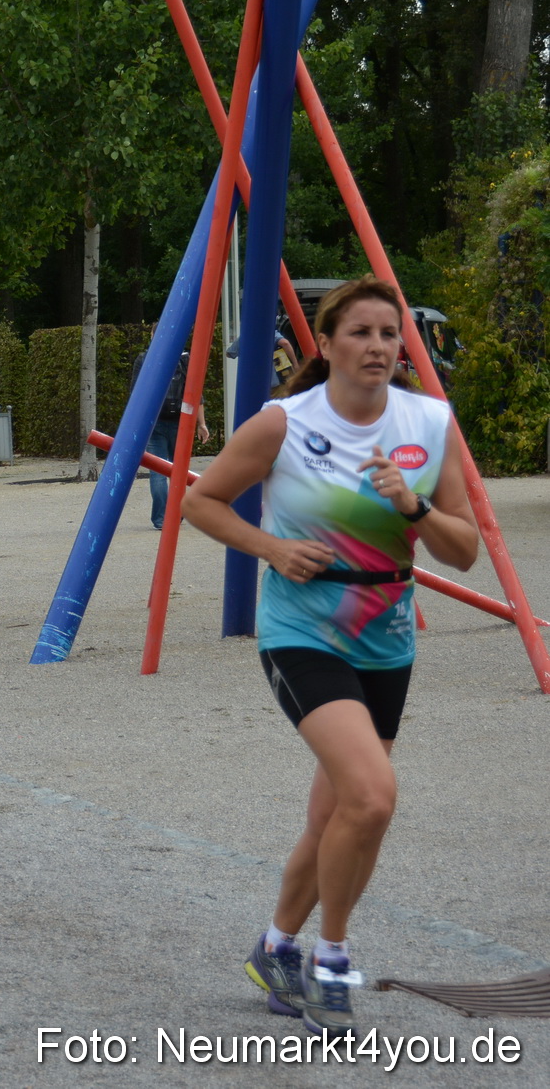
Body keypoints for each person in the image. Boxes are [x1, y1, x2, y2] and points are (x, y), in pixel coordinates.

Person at [182, 276, 479, 1038]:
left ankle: (276, 947)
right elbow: (200, 501)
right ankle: (331, 962)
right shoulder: (284, 422)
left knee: (336, 812)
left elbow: (465, 550)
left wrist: (413, 506)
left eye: (390, 334)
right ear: (328, 342)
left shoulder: (430, 422)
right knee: (372, 796)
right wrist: (272, 548)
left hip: (388, 635)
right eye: (361, 332)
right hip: (303, 630)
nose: (379, 346)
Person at [130, 327, 210, 530]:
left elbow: (136, 394)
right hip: (182, 422)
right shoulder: (185, 359)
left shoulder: (144, 359)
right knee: (179, 471)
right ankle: (177, 514)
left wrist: (135, 426)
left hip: (154, 422)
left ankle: (160, 518)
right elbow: (196, 394)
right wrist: (201, 423)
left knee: (158, 472)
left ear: (153, 336)